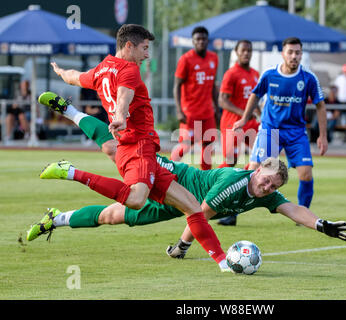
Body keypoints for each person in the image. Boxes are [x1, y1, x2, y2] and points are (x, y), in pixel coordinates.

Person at [39, 24, 227, 270]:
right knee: (137, 200)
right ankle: (72, 172)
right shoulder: (129, 70)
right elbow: (124, 97)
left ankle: (224, 262)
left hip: (135, 147)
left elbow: (76, 77)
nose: (147, 55)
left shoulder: (102, 68)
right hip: (138, 147)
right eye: (144, 48)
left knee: (192, 205)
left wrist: (60, 72)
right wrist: (120, 116)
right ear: (129, 46)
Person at [27, 155, 346, 260]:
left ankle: (58, 219)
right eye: (266, 180)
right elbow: (200, 215)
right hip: (172, 180)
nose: (268, 188)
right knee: (120, 158)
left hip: (177, 205)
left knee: (114, 216)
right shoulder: (234, 183)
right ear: (256, 170)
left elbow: (293, 209)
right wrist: (181, 247)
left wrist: (321, 224)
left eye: (273, 187)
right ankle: (75, 131)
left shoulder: (264, 195)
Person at [233, 37, 328, 215]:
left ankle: (303, 213)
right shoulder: (270, 74)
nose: (294, 56)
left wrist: (323, 135)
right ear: (283, 54)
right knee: (254, 169)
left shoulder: (308, 78)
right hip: (271, 130)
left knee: (306, 174)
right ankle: (233, 211)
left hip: (296, 132)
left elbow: (320, 105)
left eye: (297, 53)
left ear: (301, 55)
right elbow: (255, 95)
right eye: (290, 52)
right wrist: (245, 119)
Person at [216, 40, 260, 227]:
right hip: (232, 124)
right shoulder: (231, 73)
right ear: (236, 52)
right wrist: (245, 114)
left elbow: (255, 99)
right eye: (243, 50)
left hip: (251, 125)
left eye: (249, 50)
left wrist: (257, 113)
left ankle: (235, 203)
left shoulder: (255, 74)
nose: (246, 54)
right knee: (230, 162)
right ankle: (212, 187)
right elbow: (222, 101)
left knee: (260, 161)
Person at [171, 26, 219, 170]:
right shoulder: (186, 59)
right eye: (198, 39)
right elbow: (177, 86)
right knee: (185, 145)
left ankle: (206, 177)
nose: (201, 42)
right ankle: (167, 170)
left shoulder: (213, 58)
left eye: (203, 39)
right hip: (190, 112)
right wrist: (179, 110)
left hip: (207, 112)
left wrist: (216, 107)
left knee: (208, 146)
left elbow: (212, 85)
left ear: (207, 40)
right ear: (193, 41)